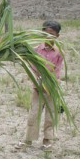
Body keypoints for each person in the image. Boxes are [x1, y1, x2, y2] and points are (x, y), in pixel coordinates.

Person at [16, 20, 64, 151]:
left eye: (52, 34)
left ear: (57, 36)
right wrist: (39, 82)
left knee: (50, 114)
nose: (48, 36)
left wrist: (50, 84)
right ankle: (29, 140)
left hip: (52, 88)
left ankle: (47, 140)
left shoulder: (59, 52)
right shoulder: (37, 49)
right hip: (38, 87)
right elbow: (33, 68)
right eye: (45, 33)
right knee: (34, 113)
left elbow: (57, 70)